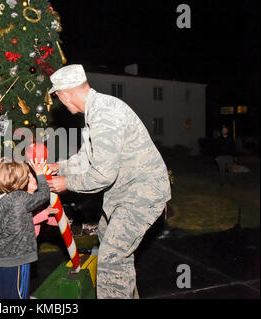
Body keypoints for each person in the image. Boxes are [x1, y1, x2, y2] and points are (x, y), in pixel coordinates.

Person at [45, 64, 171, 299]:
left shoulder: (105, 114)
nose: (60, 102)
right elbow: (86, 158)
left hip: (142, 192)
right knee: (108, 238)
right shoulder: (95, 113)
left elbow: (103, 175)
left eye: (59, 97)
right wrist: (60, 167)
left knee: (112, 255)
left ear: (64, 94)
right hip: (125, 192)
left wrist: (66, 183)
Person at [0, 157, 50, 299]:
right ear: (23, 180)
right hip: (18, 260)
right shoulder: (21, 198)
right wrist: (39, 173)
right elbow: (44, 194)